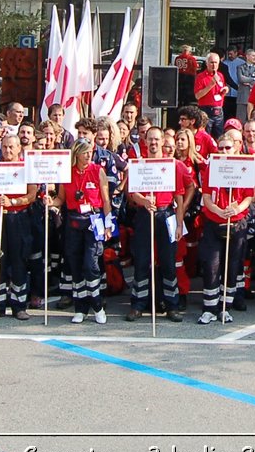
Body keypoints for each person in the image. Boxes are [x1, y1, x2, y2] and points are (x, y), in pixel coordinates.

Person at [125, 124, 191, 322]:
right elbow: (132, 192)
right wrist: (144, 201)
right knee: (142, 261)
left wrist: (179, 224)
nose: (153, 142)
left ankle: (172, 305)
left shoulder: (173, 165)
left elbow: (179, 197)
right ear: (145, 142)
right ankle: (138, 305)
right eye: (150, 139)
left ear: (163, 141)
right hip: (146, 215)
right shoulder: (139, 164)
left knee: (169, 262)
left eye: (157, 139)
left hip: (166, 215)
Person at [198, 129, 255, 323]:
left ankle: (225, 306)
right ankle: (209, 307)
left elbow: (249, 195)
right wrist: (217, 210)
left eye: (227, 147)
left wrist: (237, 207)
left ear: (236, 148)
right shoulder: (211, 168)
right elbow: (205, 196)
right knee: (212, 265)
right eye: (220, 148)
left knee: (232, 266)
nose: (223, 151)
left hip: (236, 222)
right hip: (214, 221)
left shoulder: (244, 167)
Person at [0, 133, 36, 320]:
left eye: (11, 147)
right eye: (4, 147)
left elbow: (32, 195)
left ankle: (19, 305)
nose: (8, 150)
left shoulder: (26, 168)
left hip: (18, 219)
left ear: (19, 148)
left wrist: (14, 201)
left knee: (19, 262)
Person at [56, 141, 113, 324]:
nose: (88, 155)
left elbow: (105, 200)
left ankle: (97, 305)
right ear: (77, 154)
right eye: (84, 152)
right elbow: (60, 198)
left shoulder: (98, 171)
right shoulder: (68, 173)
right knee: (75, 264)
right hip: (74, 222)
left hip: (93, 221)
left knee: (91, 264)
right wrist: (50, 202)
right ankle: (80, 307)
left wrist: (108, 224)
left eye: (90, 152)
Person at [194, 53, 228, 134]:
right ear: (206, 63)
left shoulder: (220, 75)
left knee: (219, 137)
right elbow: (197, 96)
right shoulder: (200, 77)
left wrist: (224, 91)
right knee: (205, 135)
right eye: (211, 62)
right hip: (206, 110)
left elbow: (219, 93)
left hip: (218, 110)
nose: (214, 65)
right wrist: (210, 85)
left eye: (216, 63)